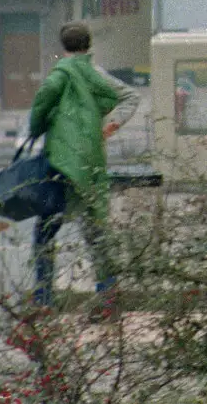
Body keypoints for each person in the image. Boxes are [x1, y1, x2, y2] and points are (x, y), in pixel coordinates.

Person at [28, 22, 139, 308]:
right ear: (89, 45)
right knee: (95, 228)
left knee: (46, 229)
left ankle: (43, 298)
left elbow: (42, 102)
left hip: (61, 161)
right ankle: (108, 295)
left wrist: (37, 127)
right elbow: (127, 95)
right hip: (90, 159)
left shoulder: (61, 74)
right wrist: (110, 124)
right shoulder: (96, 74)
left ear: (62, 47)